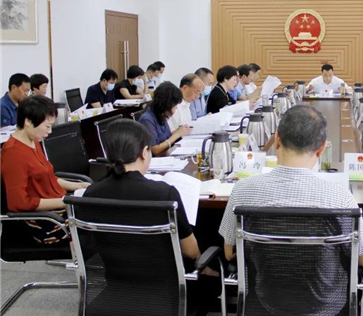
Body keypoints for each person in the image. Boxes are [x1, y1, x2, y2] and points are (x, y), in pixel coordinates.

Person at [219, 105, 363, 311]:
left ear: (277, 140)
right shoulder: (340, 197)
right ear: (321, 148)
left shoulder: (243, 190)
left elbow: (229, 252)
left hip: (265, 303)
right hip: (326, 308)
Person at [82, 119, 220, 314]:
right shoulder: (164, 194)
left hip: (116, 286)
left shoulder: (91, 193)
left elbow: (84, 247)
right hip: (167, 290)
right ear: (144, 152)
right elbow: (190, 252)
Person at [1, 96, 90, 244]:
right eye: (47, 126)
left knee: (100, 209)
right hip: (44, 221)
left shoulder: (33, 142)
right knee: (98, 221)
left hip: (57, 208)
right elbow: (18, 203)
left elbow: (48, 178)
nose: (50, 131)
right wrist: (66, 202)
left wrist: (79, 186)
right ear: (28, 121)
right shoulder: (13, 153)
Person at [138, 82, 191, 156]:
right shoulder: (147, 120)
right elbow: (155, 150)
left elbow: (165, 137)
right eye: (175, 105)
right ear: (167, 103)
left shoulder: (160, 114)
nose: (176, 108)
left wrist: (179, 131)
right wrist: (177, 134)